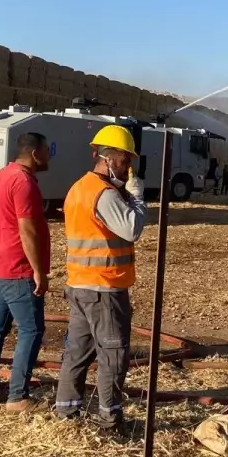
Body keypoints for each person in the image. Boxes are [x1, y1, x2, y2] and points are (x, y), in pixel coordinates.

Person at [54, 125, 146, 433]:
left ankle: (66, 413)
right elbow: (132, 229)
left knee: (77, 353)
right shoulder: (104, 194)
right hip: (104, 288)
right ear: (106, 158)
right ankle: (110, 420)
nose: (128, 167)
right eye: (124, 160)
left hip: (80, 285)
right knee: (114, 355)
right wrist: (136, 196)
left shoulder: (79, 187)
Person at [0, 132, 52, 412]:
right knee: (32, 330)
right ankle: (18, 397)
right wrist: (38, 271)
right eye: (47, 151)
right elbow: (27, 229)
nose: (49, 157)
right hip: (17, 268)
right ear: (34, 154)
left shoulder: (0, 176)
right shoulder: (23, 183)